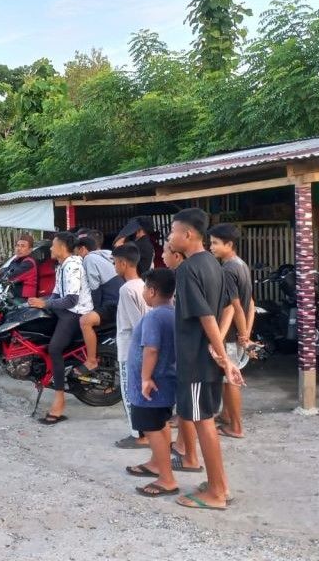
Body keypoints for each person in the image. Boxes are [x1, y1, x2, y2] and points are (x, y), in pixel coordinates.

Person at [167, 208, 244, 511]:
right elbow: (228, 309)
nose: (170, 237)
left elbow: (206, 316)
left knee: (203, 423)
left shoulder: (188, 269)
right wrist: (221, 351)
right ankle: (219, 484)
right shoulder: (213, 263)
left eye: (173, 231)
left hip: (196, 360)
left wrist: (224, 357)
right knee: (205, 419)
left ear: (187, 235)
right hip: (206, 357)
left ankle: (215, 491)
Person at [27, 232, 92, 425]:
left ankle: (60, 400)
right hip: (65, 310)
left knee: (54, 348)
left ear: (62, 248)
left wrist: (45, 304)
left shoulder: (72, 265)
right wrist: (40, 302)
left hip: (75, 313)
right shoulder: (61, 265)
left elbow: (72, 299)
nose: (50, 249)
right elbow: (57, 293)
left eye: (53, 245)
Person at [125, 268, 179, 498]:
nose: (145, 291)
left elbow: (151, 349)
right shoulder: (171, 312)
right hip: (165, 382)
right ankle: (158, 464)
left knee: (152, 428)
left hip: (151, 385)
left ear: (153, 290)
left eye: (146, 287)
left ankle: (167, 479)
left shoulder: (155, 316)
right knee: (160, 424)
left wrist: (145, 378)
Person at [208, 223, 255, 439]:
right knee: (229, 377)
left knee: (230, 379)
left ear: (229, 244)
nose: (212, 247)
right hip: (237, 331)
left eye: (216, 243)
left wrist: (243, 335)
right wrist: (246, 333)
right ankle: (227, 417)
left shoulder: (227, 269)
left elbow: (234, 307)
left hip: (229, 334)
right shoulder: (241, 265)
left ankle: (236, 426)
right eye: (211, 243)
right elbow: (250, 303)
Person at [112, 243, 151, 449]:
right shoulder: (141, 285)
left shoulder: (126, 289)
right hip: (141, 349)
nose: (114, 267)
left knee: (129, 393)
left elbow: (138, 325)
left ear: (123, 263)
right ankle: (144, 431)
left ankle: (138, 435)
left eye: (115, 262)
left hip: (130, 349)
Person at [75, 234, 122, 371]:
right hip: (116, 300)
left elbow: (95, 289)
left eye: (76, 251)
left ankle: (91, 360)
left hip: (111, 302)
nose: (76, 255)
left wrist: (90, 310)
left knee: (85, 321)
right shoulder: (104, 255)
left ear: (83, 249)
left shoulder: (89, 259)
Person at [5, 233, 40, 299]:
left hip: (25, 299)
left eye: (23, 246)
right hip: (14, 295)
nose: (19, 248)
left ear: (30, 249)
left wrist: (5, 276)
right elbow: (4, 272)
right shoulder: (16, 260)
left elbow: (11, 276)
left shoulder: (29, 263)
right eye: (17, 245)